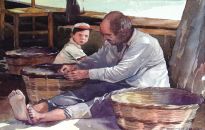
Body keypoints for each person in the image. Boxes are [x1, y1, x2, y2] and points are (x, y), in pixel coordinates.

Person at [8, 11, 170, 124]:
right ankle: (33, 109)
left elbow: (120, 73)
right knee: (87, 91)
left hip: (147, 91)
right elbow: (98, 59)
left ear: (123, 32)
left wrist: (85, 73)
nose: (105, 40)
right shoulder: (116, 41)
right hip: (125, 83)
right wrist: (75, 65)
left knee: (102, 100)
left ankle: (41, 118)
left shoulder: (144, 43)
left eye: (108, 36)